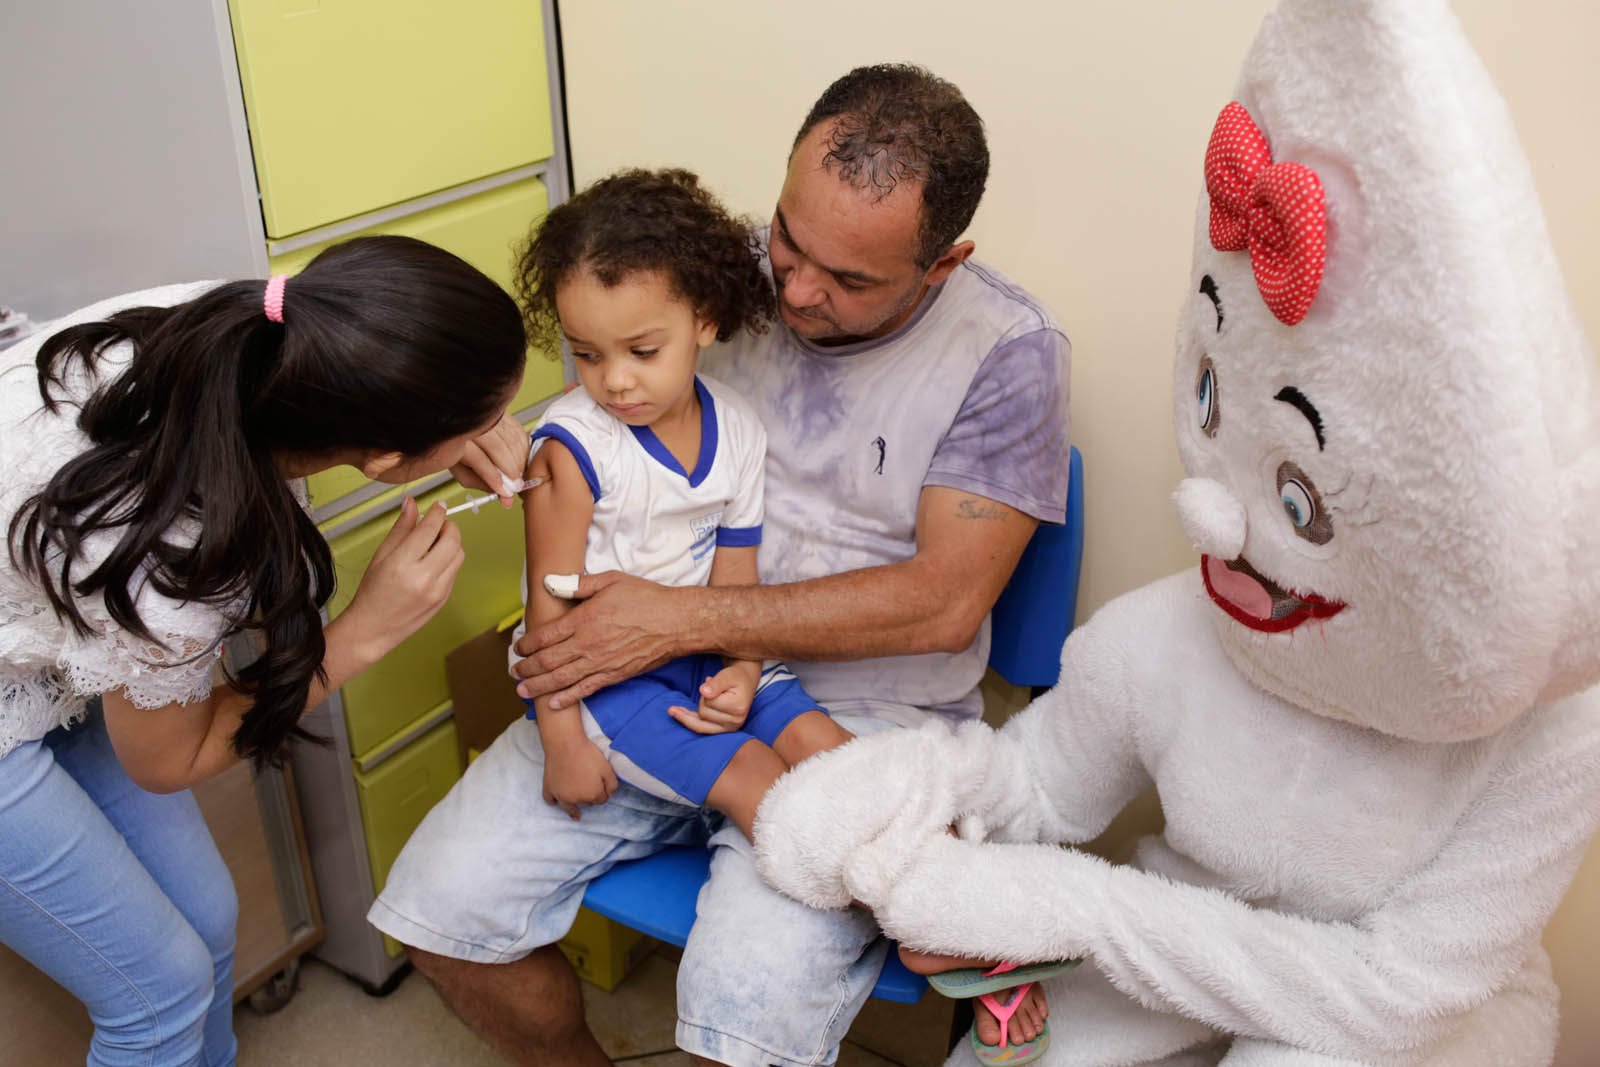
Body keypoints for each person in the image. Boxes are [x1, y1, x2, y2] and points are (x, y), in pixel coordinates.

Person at [370, 63, 1072, 1067]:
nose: (790, 288)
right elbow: (592, 367)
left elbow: (942, 604)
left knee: (738, 1015)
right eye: (788, 236)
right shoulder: (704, 275)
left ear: (942, 263)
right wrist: (480, 425)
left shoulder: (1008, 349)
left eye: (850, 279)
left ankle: (969, 912)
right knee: (439, 913)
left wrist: (687, 624)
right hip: (635, 668)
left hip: (863, 702)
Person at [0, 234, 532, 1067]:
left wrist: (446, 423)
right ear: (387, 460)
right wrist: (362, 634)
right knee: (160, 993)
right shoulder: (173, 553)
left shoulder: (266, 323)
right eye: (482, 421)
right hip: (61, 610)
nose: (502, 437)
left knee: (209, 917)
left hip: (45, 610)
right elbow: (170, 759)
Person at [512, 167, 853, 838]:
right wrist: (562, 743)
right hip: (604, 683)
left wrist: (745, 668)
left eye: (643, 350)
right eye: (586, 353)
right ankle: (915, 915)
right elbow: (546, 616)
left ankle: (954, 907)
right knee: (762, 783)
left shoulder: (738, 430)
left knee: (833, 752)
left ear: (704, 319)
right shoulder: (572, 448)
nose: (614, 379)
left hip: (703, 646)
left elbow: (735, 579)